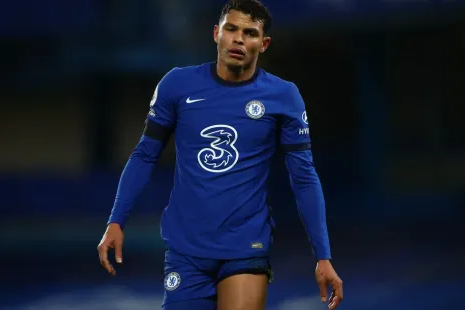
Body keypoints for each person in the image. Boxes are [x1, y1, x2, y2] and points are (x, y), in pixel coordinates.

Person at [97, 0, 343, 309]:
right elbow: (145, 155)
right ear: (217, 34)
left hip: (245, 247)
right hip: (186, 251)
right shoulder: (177, 85)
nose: (239, 39)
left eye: (250, 33)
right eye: (231, 29)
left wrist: (323, 256)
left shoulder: (283, 96)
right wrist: (116, 220)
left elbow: (304, 178)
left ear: (264, 44)